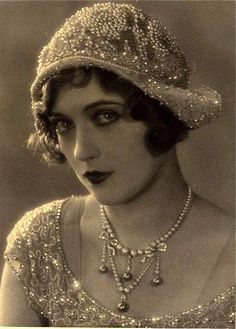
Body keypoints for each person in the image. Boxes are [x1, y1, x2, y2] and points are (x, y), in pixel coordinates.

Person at [0, 2, 234, 328]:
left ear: (161, 114)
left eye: (105, 116)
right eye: (63, 125)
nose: (82, 151)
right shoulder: (38, 246)